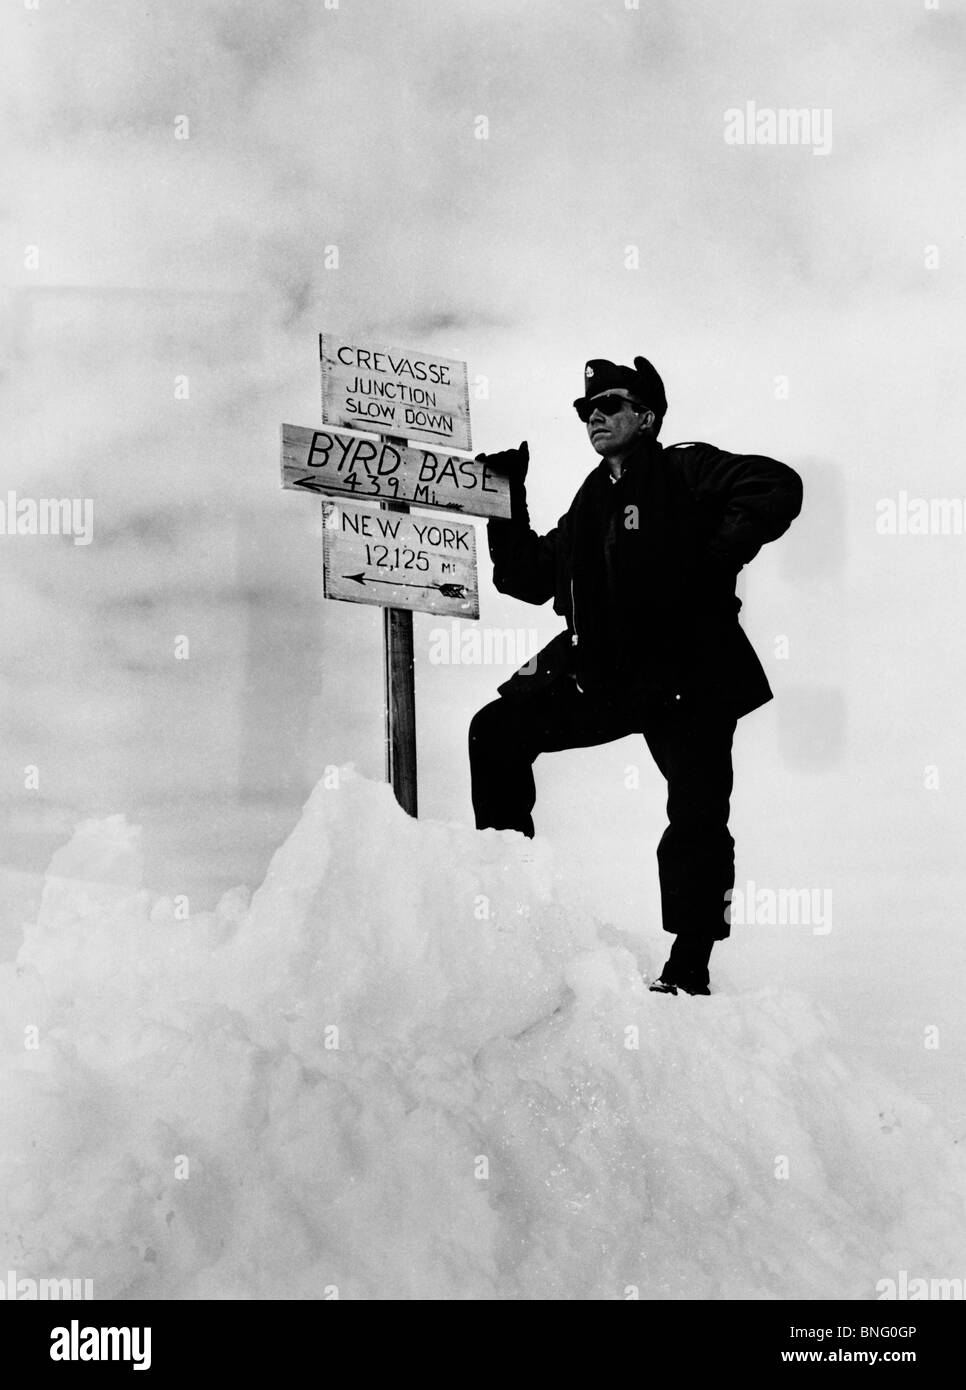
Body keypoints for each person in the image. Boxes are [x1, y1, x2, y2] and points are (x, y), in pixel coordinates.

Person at [469, 355, 804, 995]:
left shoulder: (684, 467)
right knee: (495, 730)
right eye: (586, 409)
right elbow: (524, 577)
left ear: (645, 416)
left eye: (611, 404)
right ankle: (510, 902)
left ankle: (690, 965)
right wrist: (505, 496)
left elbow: (775, 486)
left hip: (687, 672)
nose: (594, 414)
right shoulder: (588, 505)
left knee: (698, 813)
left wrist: (707, 569)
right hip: (604, 675)